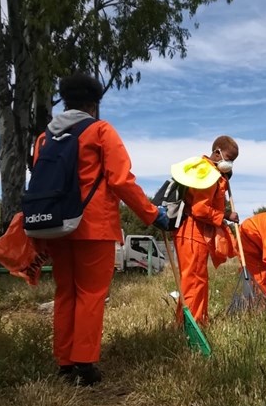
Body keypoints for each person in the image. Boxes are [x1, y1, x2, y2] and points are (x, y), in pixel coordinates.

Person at [32, 73, 170, 386]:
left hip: (55, 225)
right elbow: (121, 180)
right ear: (94, 104)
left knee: (65, 292)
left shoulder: (44, 138)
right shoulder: (100, 130)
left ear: (65, 101)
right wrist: (152, 214)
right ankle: (85, 362)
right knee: (91, 294)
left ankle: (65, 362)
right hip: (94, 226)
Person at [171, 136, 239, 326]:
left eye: (233, 161)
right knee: (193, 280)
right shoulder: (207, 172)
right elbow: (199, 209)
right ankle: (189, 326)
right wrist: (225, 215)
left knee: (198, 279)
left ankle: (196, 321)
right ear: (217, 152)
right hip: (191, 231)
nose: (230, 163)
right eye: (228, 157)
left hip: (195, 232)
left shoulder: (210, 171)